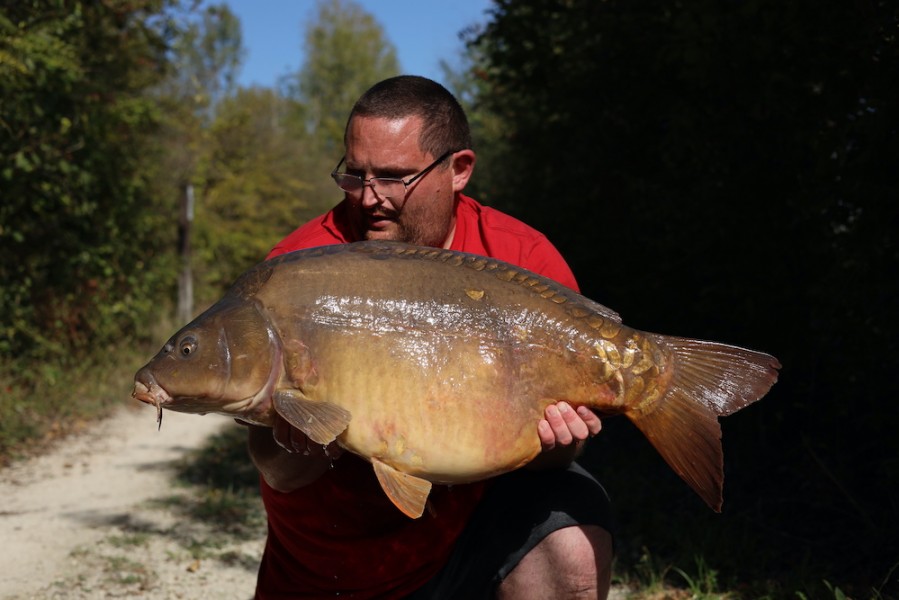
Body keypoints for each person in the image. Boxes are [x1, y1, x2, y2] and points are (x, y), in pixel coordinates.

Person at [246, 75, 614, 599]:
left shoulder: (522, 261)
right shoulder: (295, 274)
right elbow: (277, 472)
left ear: (458, 170)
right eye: (354, 175)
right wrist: (307, 439)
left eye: (394, 177)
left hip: (468, 541)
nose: (369, 198)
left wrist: (560, 443)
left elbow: (552, 457)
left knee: (569, 537)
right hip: (331, 570)